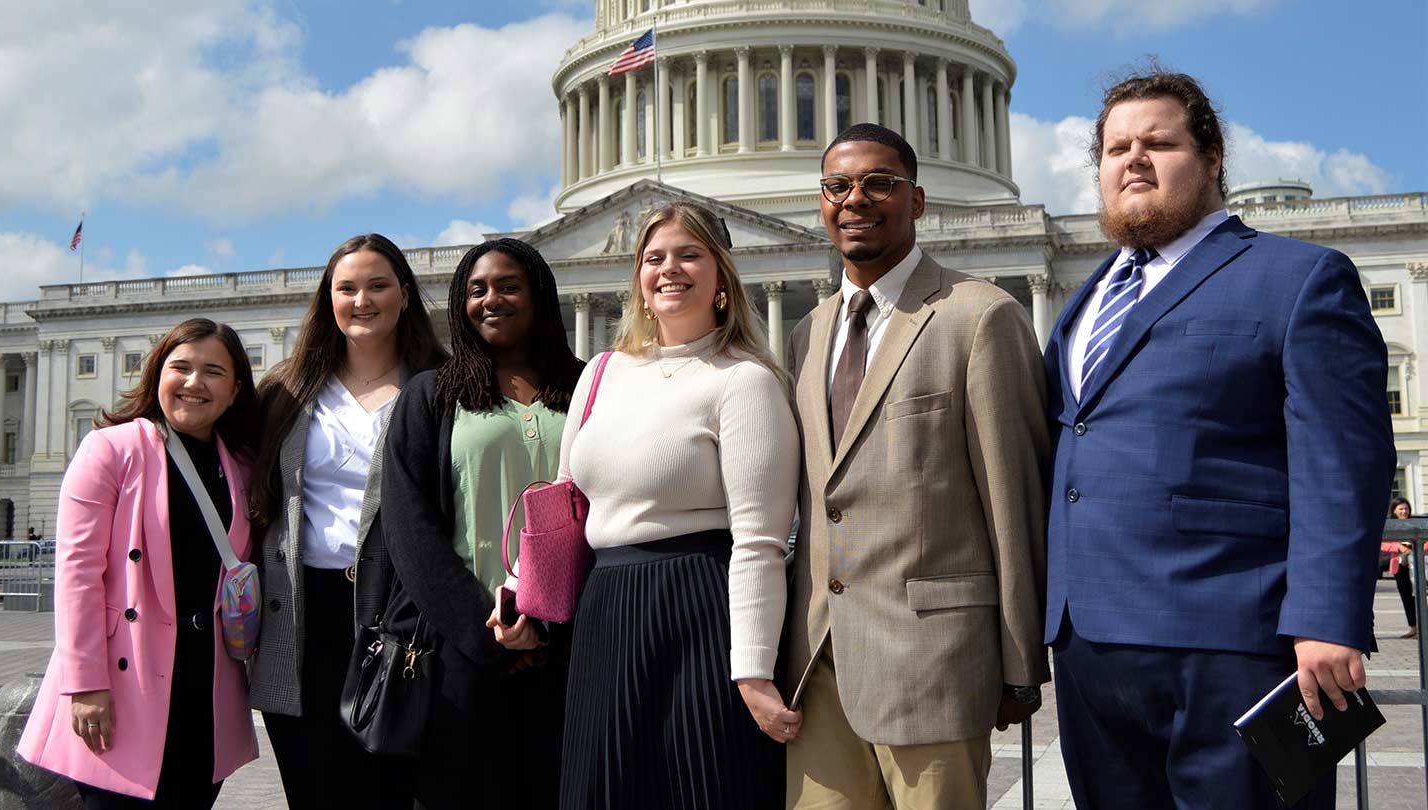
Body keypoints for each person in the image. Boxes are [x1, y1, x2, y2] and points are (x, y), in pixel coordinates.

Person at [1042, 69, 1397, 809]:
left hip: (1236, 644)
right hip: (1092, 654)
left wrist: (1329, 621)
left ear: (1212, 159)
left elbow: (1344, 462)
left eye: (1158, 143)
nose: (1132, 160)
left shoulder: (1298, 277)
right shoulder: (1084, 301)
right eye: (1115, 149)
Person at [779, 123, 1050, 809]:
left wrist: (1020, 662)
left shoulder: (980, 316)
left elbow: (1013, 499)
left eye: (879, 183)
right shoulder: (806, 333)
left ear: (918, 200)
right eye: (838, 187)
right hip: (820, 666)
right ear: (821, 202)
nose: (856, 201)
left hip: (933, 662)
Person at [548, 201, 798, 809]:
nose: (669, 269)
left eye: (689, 255)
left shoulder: (745, 379)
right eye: (654, 257)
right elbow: (565, 502)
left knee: (703, 786)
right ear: (636, 275)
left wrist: (753, 667)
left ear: (722, 276)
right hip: (605, 607)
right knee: (599, 790)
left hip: (699, 606)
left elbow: (760, 539)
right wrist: (523, 589)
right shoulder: (601, 372)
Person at [17, 319, 260, 808]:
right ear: (157, 375)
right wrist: (84, 683)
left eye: (213, 371)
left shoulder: (240, 465)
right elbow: (77, 575)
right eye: (181, 367)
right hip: (124, 681)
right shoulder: (111, 449)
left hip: (205, 681)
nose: (194, 383)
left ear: (234, 390)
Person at [377, 237, 584, 809]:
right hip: (461, 650)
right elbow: (408, 525)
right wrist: (483, 630)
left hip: (574, 647)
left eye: (508, 286)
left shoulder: (591, 388)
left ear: (540, 295)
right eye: (476, 289)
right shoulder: (432, 394)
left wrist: (550, 630)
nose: (491, 299)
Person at [248, 233, 447, 809]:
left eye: (379, 285)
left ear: (405, 295)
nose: (363, 300)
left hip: (398, 615)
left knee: (392, 788)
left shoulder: (441, 384)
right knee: (313, 790)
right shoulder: (286, 389)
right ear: (327, 300)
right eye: (347, 288)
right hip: (303, 615)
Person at [1392, 498, 1418, 638]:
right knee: (1406, 597)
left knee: (1418, 597)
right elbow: (1383, 543)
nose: (1404, 511)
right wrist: (1398, 547)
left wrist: (1415, 548)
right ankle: (1413, 628)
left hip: (1417, 564)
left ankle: (1422, 626)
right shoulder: (1390, 525)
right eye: (1401, 509)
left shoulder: (1415, 524)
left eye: (1406, 509)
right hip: (1399, 566)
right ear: (1394, 510)